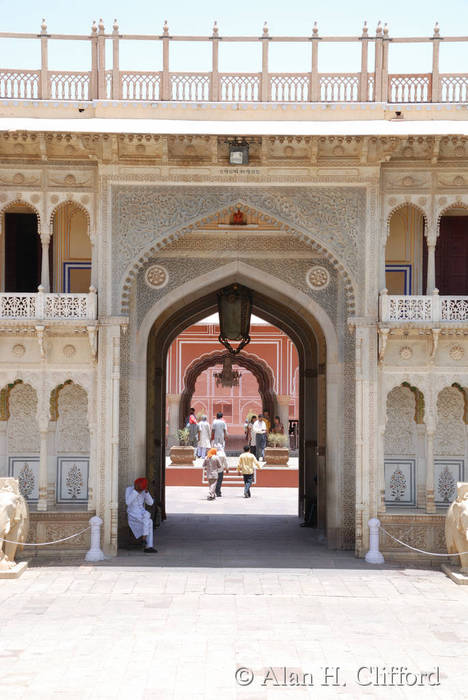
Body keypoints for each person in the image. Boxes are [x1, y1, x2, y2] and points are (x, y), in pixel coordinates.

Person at [125, 477, 157, 553]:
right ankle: (147, 544)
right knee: (149, 521)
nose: (140, 490)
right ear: (135, 484)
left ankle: (146, 541)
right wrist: (135, 492)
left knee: (149, 521)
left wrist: (147, 493)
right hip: (133, 514)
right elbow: (127, 502)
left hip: (142, 513)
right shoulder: (129, 490)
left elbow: (151, 503)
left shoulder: (144, 491)